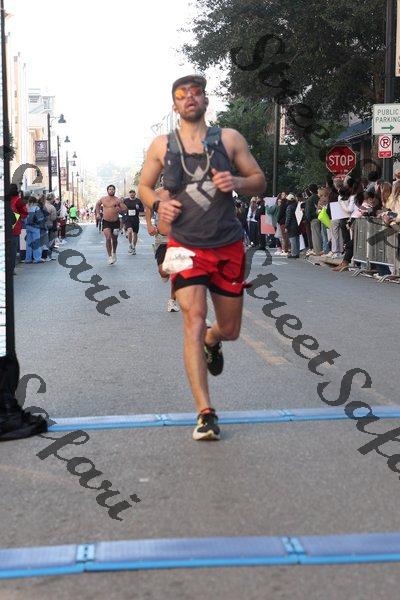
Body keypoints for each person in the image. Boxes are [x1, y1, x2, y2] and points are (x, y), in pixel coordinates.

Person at [138, 74, 266, 441]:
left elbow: (259, 179)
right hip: (183, 246)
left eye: (196, 93)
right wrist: (158, 204)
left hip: (226, 245)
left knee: (230, 330)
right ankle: (205, 413)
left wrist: (237, 182)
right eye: (182, 95)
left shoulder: (229, 139)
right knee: (192, 319)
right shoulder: (162, 145)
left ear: (206, 101)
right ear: (174, 104)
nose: (190, 98)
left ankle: (214, 339)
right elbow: (144, 186)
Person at [145, 195, 180, 313]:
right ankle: (165, 273)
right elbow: (148, 207)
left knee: (176, 272)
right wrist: (149, 224)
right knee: (163, 272)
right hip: (162, 238)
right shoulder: (158, 193)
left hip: (180, 238)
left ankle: (172, 301)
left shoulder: (187, 192)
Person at [95, 185, 127, 265]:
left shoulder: (117, 200)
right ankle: (109, 256)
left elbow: (125, 210)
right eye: (110, 189)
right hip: (106, 221)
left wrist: (120, 206)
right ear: (107, 190)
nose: (111, 190)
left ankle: (114, 253)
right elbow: (97, 205)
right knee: (108, 238)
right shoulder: (103, 199)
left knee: (114, 239)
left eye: (113, 189)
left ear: (115, 191)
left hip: (115, 222)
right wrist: (98, 213)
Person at [10, 184, 27, 274]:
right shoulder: (18, 200)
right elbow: (25, 213)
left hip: (7, 229)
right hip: (14, 229)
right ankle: (11, 269)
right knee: (12, 249)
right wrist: (18, 216)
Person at [24, 194, 46, 264]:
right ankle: (37, 258)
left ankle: (28, 259)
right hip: (35, 227)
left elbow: (23, 217)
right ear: (34, 202)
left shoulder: (26, 207)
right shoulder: (36, 208)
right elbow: (40, 218)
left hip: (28, 227)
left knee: (28, 243)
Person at [124, 190, 144, 254]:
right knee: (129, 231)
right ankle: (130, 244)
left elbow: (142, 209)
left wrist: (138, 208)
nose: (132, 194)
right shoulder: (126, 200)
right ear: (129, 194)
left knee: (135, 233)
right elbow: (122, 208)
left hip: (135, 219)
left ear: (135, 194)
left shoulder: (138, 201)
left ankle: (134, 247)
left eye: (133, 193)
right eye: (131, 193)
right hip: (128, 218)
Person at [285, 193, 300, 258]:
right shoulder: (297, 206)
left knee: (292, 239)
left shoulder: (289, 207)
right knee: (297, 239)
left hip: (291, 225)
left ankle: (294, 253)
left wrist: (286, 226)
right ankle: (297, 253)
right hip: (297, 224)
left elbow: (288, 218)